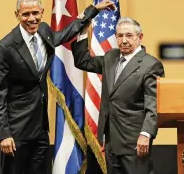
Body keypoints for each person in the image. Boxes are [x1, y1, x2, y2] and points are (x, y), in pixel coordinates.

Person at [0, 0, 115, 174]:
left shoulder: (44, 31)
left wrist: (93, 10)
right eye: (25, 14)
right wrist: (3, 134)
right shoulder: (5, 47)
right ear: (17, 15)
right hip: (16, 131)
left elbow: (65, 33)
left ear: (42, 12)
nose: (31, 19)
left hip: (40, 129)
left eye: (35, 13)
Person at [71, 17, 165, 174]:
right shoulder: (110, 57)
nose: (124, 40)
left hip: (135, 142)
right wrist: (82, 33)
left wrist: (146, 134)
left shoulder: (151, 65)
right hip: (111, 141)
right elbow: (83, 62)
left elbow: (152, 104)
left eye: (129, 35)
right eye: (120, 36)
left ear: (140, 37)